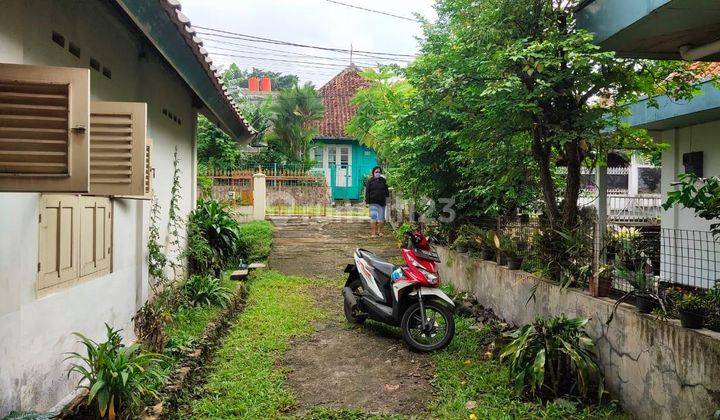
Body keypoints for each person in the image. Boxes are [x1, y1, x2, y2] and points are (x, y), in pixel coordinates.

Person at [365, 166, 390, 238]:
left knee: (381, 219)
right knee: (373, 218)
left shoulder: (383, 180)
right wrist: (367, 202)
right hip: (373, 202)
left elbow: (386, 191)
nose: (378, 173)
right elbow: (367, 192)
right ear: (373, 173)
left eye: (379, 172)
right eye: (376, 172)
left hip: (382, 202)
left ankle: (380, 231)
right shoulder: (370, 181)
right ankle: (373, 233)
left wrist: (388, 201)